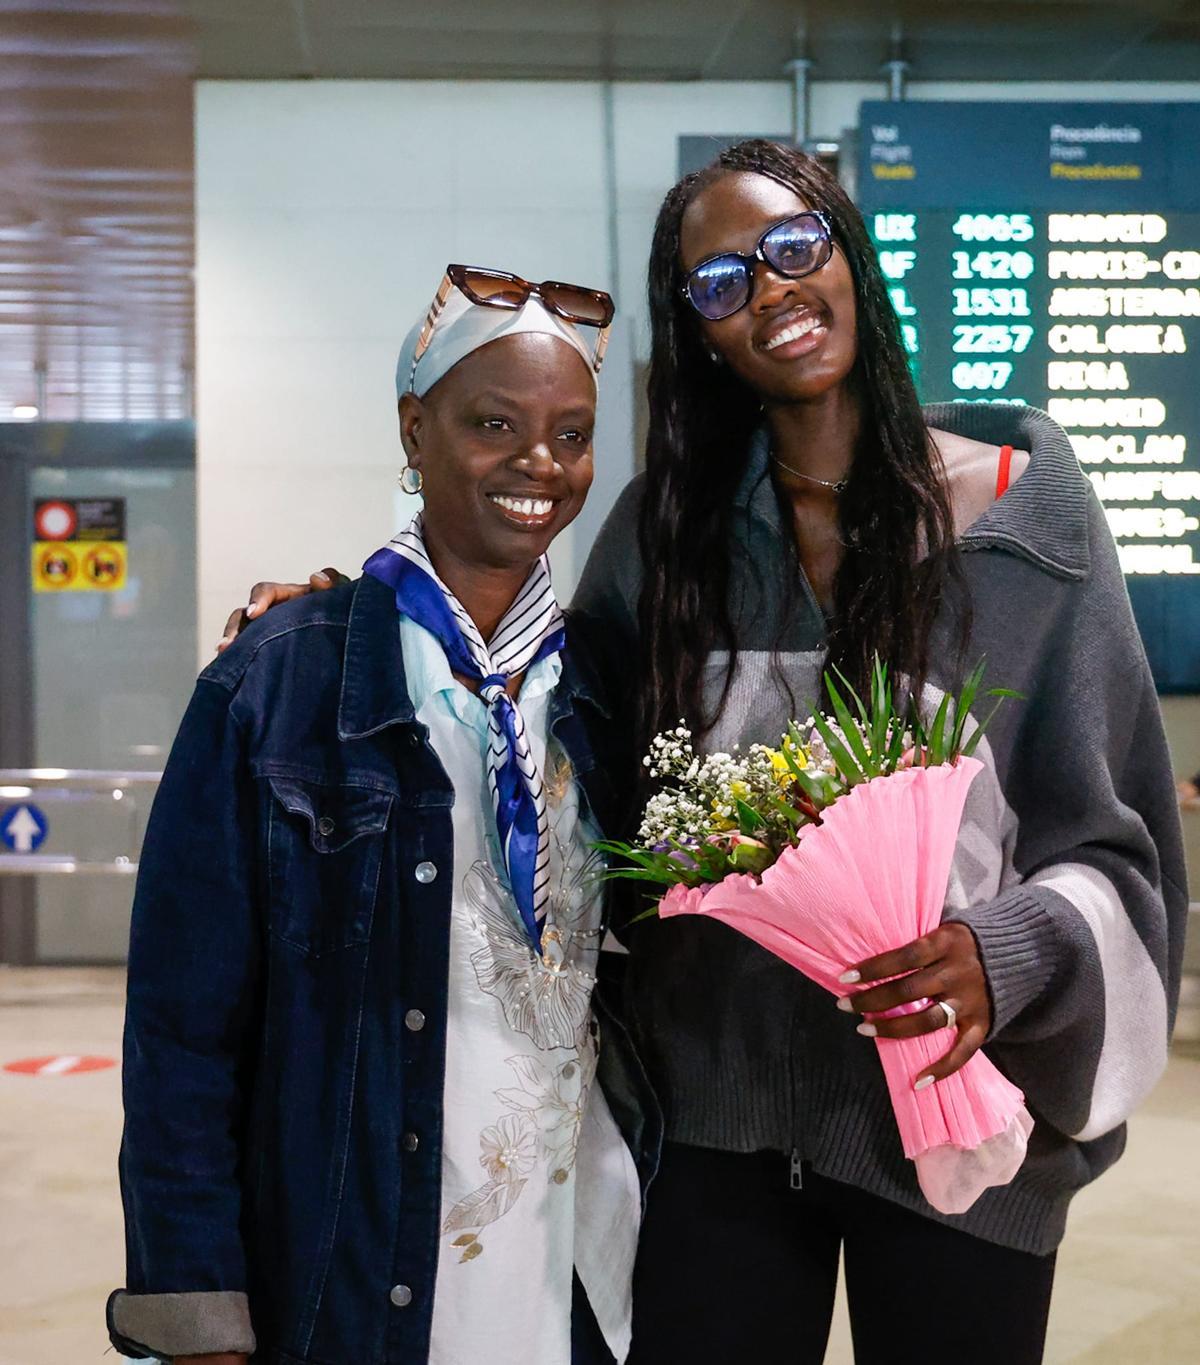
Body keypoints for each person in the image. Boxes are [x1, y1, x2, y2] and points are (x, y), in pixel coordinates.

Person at [225, 142, 1187, 1365]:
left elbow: (1117, 845)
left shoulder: (1024, 529)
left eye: (795, 247)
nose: (772, 289)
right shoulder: (665, 538)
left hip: (952, 1118)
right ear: (700, 334)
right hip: (713, 1131)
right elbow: (539, 719)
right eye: (723, 282)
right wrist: (352, 625)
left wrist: (1007, 956)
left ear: (848, 252)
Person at [108, 264, 644, 1365]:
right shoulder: (278, 684)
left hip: (575, 1272)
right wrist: (197, 1307)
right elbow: (181, 1033)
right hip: (356, 1275)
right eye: (494, 424)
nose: (540, 463)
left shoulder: (609, 690)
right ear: (414, 429)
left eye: (572, 433)